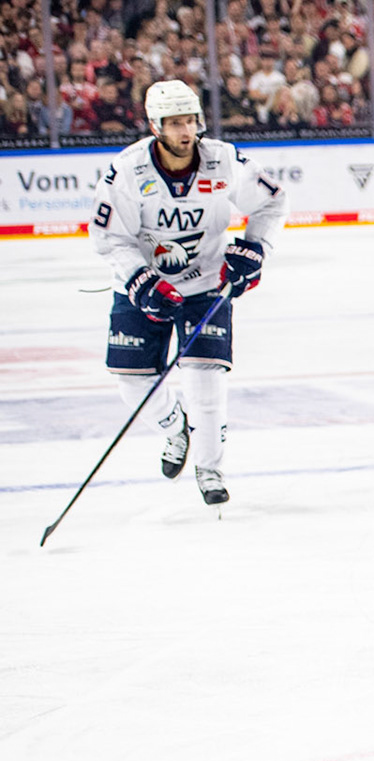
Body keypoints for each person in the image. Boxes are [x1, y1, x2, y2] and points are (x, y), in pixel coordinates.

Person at [87, 79, 285, 506]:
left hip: (205, 287)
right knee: (132, 385)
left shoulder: (224, 160)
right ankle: (174, 427)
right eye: (174, 123)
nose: (185, 132)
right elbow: (108, 235)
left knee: (206, 385)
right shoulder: (127, 169)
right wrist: (139, 279)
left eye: (190, 121)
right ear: (155, 126)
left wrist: (254, 248)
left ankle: (210, 468)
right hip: (142, 286)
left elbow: (272, 202)